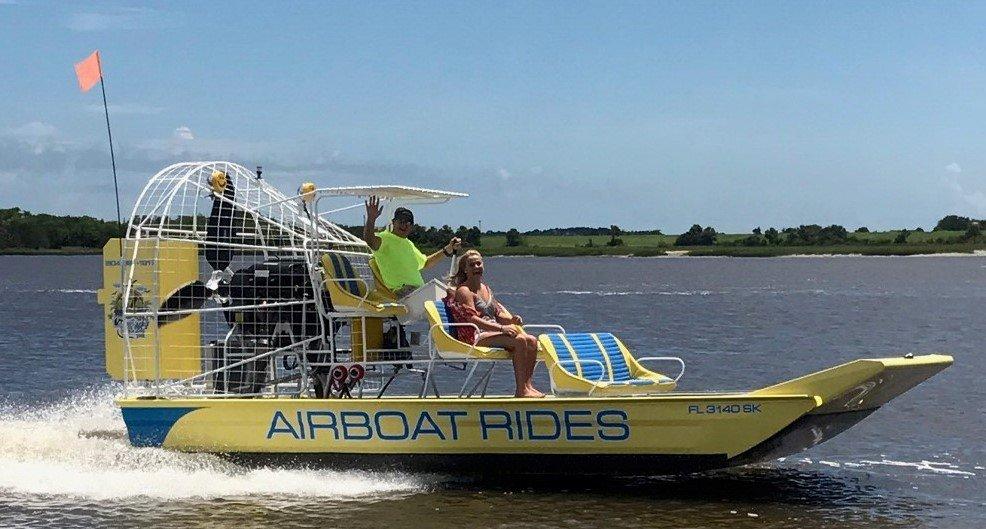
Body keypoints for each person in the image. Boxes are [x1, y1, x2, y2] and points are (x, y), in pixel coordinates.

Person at [449, 250, 543, 398]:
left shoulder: (486, 288)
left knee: (531, 340)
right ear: (465, 269)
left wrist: (512, 320)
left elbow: (498, 313)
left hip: (491, 332)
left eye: (479, 263)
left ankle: (528, 386)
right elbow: (472, 319)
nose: (476, 267)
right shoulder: (464, 291)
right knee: (519, 341)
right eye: (471, 265)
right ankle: (521, 390)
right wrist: (502, 328)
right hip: (475, 335)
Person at [363, 196, 461, 298]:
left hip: (419, 289)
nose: (404, 225)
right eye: (401, 221)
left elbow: (426, 263)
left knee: (452, 296)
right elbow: (370, 240)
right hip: (402, 291)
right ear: (393, 222)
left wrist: (448, 248)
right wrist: (371, 218)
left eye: (408, 223)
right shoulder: (384, 238)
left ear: (412, 227)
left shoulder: (408, 244)